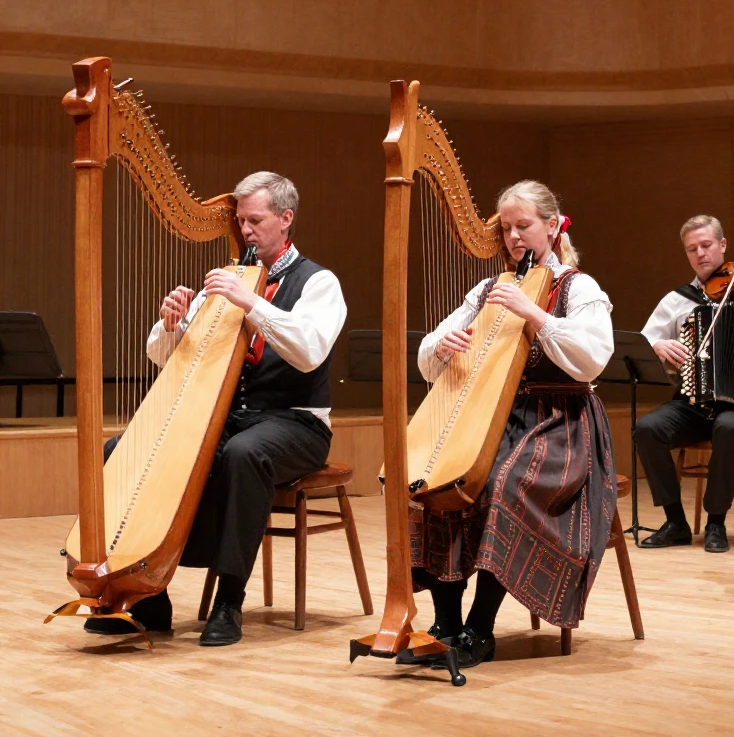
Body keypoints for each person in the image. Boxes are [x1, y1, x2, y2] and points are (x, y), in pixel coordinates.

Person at [85, 171, 345, 646]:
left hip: (296, 422)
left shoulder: (319, 282)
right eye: (241, 220)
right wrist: (171, 325)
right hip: (226, 419)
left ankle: (229, 600)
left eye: (255, 220)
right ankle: (147, 596)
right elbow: (163, 356)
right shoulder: (225, 281)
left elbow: (309, 350)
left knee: (242, 455)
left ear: (285, 219)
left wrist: (251, 303)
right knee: (121, 449)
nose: (245, 230)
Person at [405, 180, 616, 670]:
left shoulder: (578, 288)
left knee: (502, 484)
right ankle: (446, 624)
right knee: (436, 481)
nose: (515, 237)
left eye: (524, 226)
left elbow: (591, 361)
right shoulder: (486, 290)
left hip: (561, 421)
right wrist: (442, 346)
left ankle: (480, 630)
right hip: (491, 418)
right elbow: (426, 357)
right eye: (507, 228)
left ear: (552, 225)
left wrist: (535, 315)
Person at [634, 215, 734, 552]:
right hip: (692, 402)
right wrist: (659, 346)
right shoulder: (678, 300)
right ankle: (675, 521)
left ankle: (715, 522)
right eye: (692, 249)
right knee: (647, 429)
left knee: (728, 427)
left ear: (722, 246)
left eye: (706, 245)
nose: (700, 254)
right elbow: (645, 343)